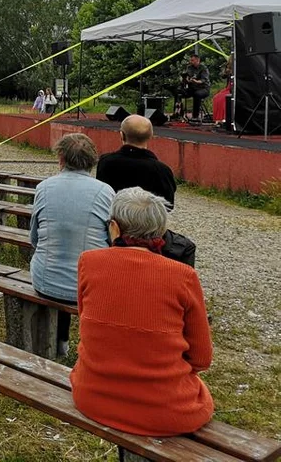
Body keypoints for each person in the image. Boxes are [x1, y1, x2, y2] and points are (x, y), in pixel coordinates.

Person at [71, 188, 213, 437]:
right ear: (160, 231)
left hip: (93, 397)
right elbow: (201, 358)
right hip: (168, 412)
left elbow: (86, 325)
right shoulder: (183, 276)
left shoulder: (88, 262)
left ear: (114, 227)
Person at [29, 133, 114, 356]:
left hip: (45, 280)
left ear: (61, 158)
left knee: (67, 262)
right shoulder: (105, 192)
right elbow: (112, 240)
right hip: (89, 285)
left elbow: (34, 239)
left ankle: (59, 343)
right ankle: (88, 345)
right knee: (81, 265)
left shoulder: (44, 188)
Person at [96, 115, 177, 209]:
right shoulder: (162, 170)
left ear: (121, 135)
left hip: (114, 218)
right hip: (148, 222)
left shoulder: (105, 162)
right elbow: (168, 205)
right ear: (150, 136)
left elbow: (101, 196)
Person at [176, 53, 210, 120]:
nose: (191, 62)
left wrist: (196, 81)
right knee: (179, 91)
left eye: (192, 60)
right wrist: (185, 79)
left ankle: (195, 116)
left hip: (203, 88)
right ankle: (178, 113)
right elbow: (188, 77)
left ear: (198, 60)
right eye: (190, 60)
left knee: (197, 94)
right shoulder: (189, 67)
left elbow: (203, 80)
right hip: (192, 87)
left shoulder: (203, 68)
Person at [212, 54, 233, 124]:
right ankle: (218, 119)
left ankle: (224, 118)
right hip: (228, 87)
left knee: (224, 98)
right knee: (216, 97)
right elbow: (223, 76)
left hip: (233, 87)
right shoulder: (228, 67)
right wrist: (226, 71)